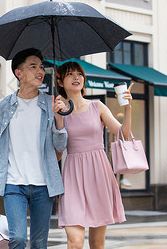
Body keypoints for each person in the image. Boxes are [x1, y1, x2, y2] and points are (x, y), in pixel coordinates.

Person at [0, 48, 67, 249]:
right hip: (13, 184)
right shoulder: (3, 106)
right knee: (17, 238)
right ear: (18, 73)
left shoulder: (50, 104)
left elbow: (60, 147)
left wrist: (60, 120)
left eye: (42, 66)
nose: (40, 71)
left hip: (43, 185)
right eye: (33, 66)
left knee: (39, 242)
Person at [56, 61, 133, 249]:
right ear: (60, 82)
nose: (76, 77)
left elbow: (124, 135)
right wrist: (58, 119)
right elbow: (57, 155)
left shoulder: (97, 106)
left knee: (97, 244)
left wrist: (128, 108)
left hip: (98, 174)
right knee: (75, 242)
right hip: (72, 176)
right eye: (70, 74)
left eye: (79, 74)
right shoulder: (59, 111)